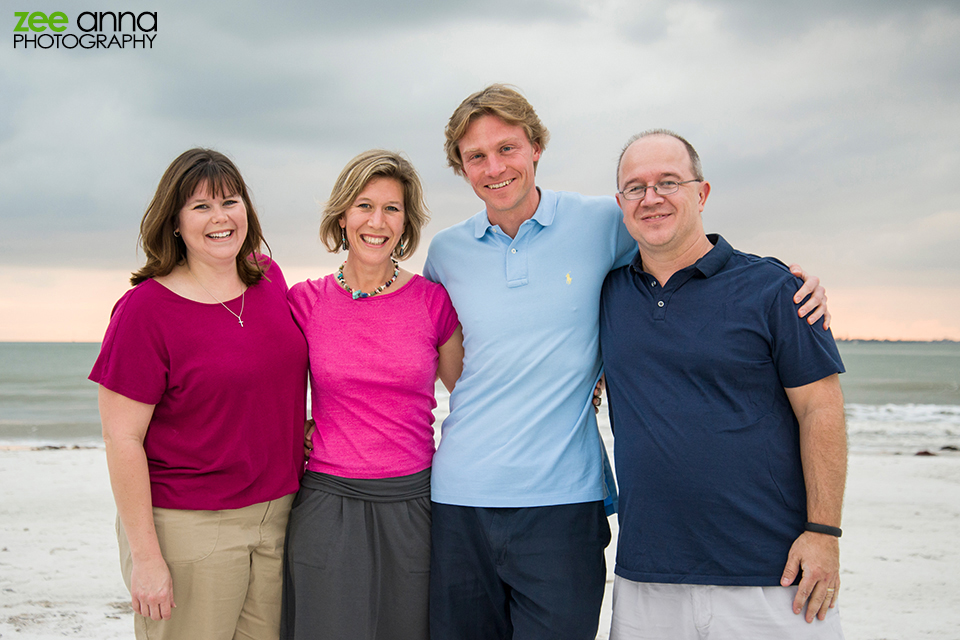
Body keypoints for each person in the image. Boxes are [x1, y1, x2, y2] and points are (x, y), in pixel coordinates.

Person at [422, 84, 831, 640]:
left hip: (565, 499)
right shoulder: (446, 252)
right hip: (458, 495)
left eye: (507, 148)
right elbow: (443, 357)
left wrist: (786, 279)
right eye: (476, 156)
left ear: (536, 147)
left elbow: (679, 238)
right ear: (461, 166)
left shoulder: (602, 221)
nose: (494, 167)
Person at [599, 130, 846, 639]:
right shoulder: (607, 295)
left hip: (772, 575)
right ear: (621, 205)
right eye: (636, 187)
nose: (652, 197)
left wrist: (824, 532)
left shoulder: (776, 289)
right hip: (647, 577)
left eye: (669, 182)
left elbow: (821, 410)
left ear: (702, 193)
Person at [90, 148, 309, 640]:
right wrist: (147, 559)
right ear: (174, 221)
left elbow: (266, 386)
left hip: (280, 517)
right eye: (201, 206)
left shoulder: (269, 279)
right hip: (190, 528)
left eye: (230, 202)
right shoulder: (145, 311)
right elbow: (121, 439)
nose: (220, 217)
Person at [281, 149, 464, 640]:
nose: (377, 221)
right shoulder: (304, 302)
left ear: (405, 223)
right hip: (327, 504)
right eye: (364, 206)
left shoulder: (432, 302)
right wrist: (294, 428)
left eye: (391, 209)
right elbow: (261, 386)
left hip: (414, 505)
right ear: (342, 216)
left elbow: (476, 394)